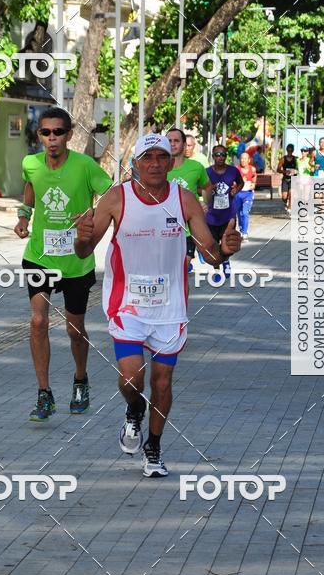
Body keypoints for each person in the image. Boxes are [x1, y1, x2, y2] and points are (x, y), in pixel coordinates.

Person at [74, 133, 241, 477]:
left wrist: (224, 251)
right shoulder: (116, 198)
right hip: (128, 305)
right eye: (146, 157)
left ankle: (153, 447)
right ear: (135, 163)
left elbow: (209, 254)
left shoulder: (184, 200)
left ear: (170, 162)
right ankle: (134, 410)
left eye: (161, 157)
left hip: (170, 309)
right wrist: (82, 236)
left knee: (163, 383)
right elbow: (84, 252)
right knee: (132, 377)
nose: (154, 164)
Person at [14, 107, 113, 421]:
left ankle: (81, 379)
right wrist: (21, 218)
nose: (52, 138)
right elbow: (29, 194)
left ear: (70, 135)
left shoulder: (85, 166)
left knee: (74, 329)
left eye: (59, 132)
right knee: (38, 322)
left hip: (76, 261)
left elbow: (112, 196)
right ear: (39, 135)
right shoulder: (31, 163)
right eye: (46, 132)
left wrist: (92, 218)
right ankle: (44, 393)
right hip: (39, 256)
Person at [166, 128, 211, 267]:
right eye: (169, 141)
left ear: (184, 145)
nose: (172, 144)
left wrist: (205, 203)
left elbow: (207, 187)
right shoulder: (158, 167)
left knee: (182, 268)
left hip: (188, 228)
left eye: (176, 141)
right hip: (163, 228)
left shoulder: (196, 167)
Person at [205, 145, 243, 270]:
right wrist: (210, 189)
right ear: (213, 156)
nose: (220, 157)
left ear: (226, 156)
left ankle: (226, 261)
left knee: (227, 241)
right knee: (213, 246)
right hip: (212, 216)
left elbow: (241, 182)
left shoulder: (233, 171)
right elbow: (200, 188)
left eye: (223, 155)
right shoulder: (207, 172)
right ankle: (216, 269)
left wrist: (236, 190)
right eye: (217, 155)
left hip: (228, 214)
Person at [235, 151, 257, 240]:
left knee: (245, 212)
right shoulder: (236, 169)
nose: (243, 160)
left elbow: (254, 180)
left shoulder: (252, 169)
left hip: (248, 194)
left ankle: (245, 232)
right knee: (239, 213)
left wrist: (253, 185)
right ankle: (241, 229)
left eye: (245, 159)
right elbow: (233, 181)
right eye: (241, 159)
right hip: (238, 194)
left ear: (249, 160)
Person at [278, 144, 298, 212]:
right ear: (286, 150)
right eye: (289, 150)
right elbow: (278, 169)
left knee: (291, 193)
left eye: (291, 150)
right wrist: (285, 171)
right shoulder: (283, 159)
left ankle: (290, 207)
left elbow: (299, 169)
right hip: (285, 179)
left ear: (293, 151)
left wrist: (295, 171)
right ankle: (286, 202)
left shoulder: (295, 159)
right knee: (284, 196)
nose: (290, 152)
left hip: (293, 179)